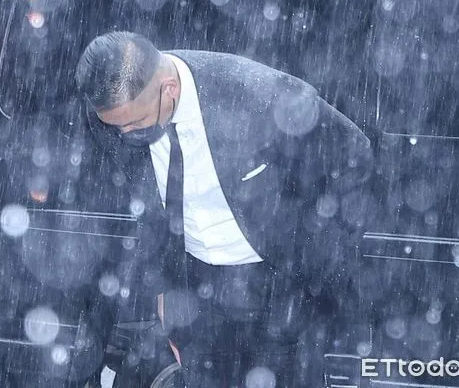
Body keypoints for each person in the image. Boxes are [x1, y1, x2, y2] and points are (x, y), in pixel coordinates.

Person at [75, 31, 374, 387]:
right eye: (117, 126)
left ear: (169, 88)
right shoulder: (112, 115)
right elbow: (150, 201)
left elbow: (354, 153)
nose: (125, 134)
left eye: (136, 123)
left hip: (278, 280)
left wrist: (325, 249)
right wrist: (162, 285)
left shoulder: (258, 95)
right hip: (194, 286)